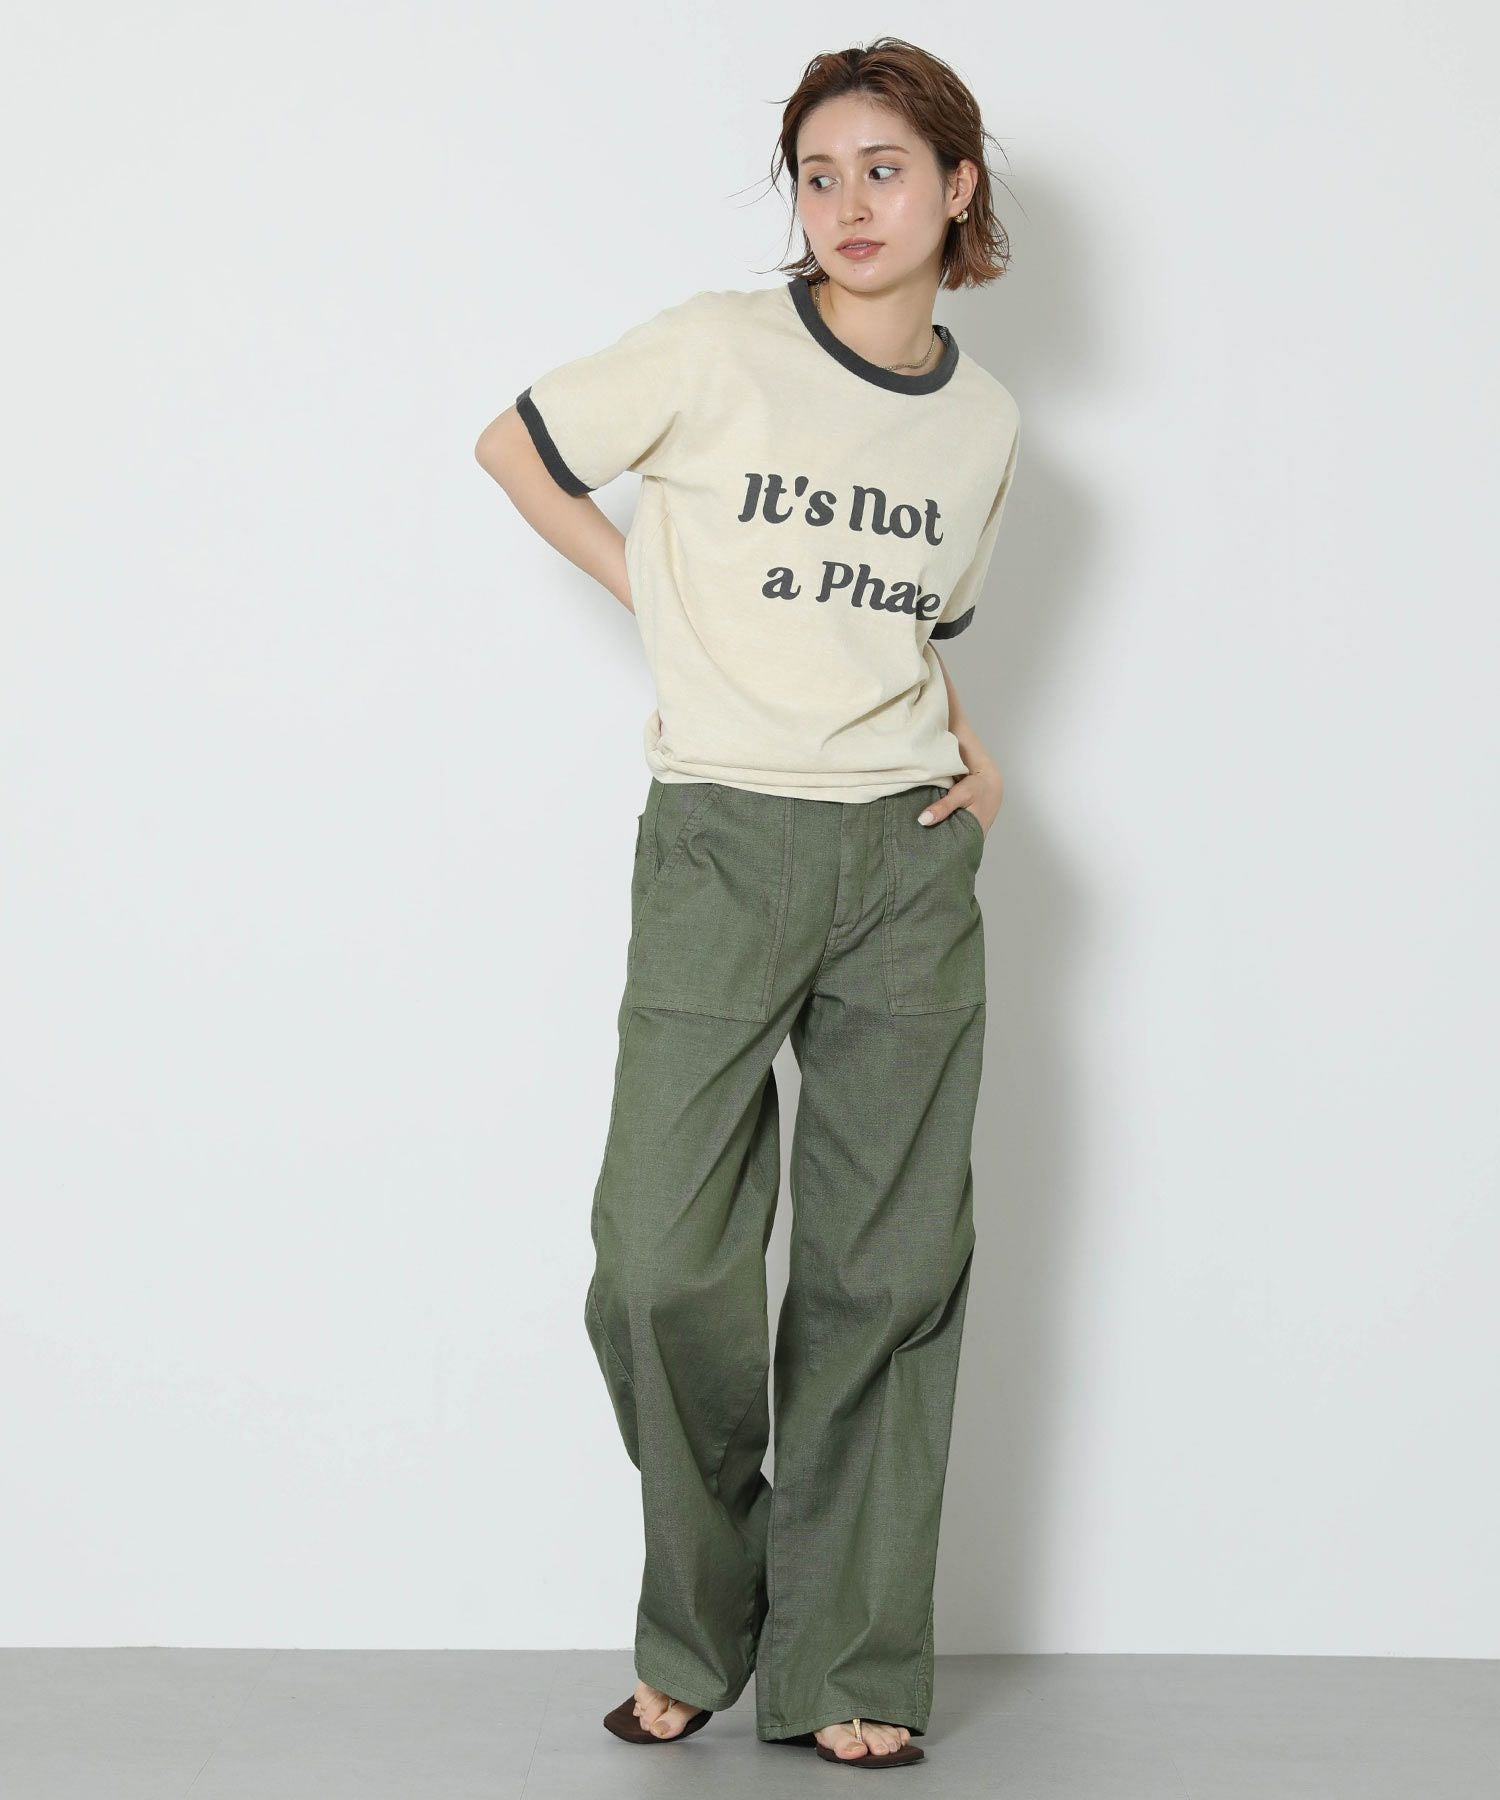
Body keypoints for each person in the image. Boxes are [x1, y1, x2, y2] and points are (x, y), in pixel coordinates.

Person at [474, 36, 1021, 1772]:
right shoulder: (716, 346)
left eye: (884, 168)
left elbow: (898, 630)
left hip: (906, 861)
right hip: (722, 840)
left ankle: (848, 1659)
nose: (848, 203)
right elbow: (514, 448)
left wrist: (977, 757)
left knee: (887, 1272)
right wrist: (661, 594)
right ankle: (712, 1613)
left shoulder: (988, 425)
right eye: (818, 172)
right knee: (656, 1266)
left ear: (958, 188)